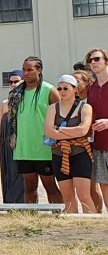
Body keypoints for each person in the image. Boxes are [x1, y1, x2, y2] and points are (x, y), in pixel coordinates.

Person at [9, 57, 63, 205]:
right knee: (29, 187)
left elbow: (61, 117)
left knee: (50, 186)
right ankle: (32, 217)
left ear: (39, 70)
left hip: (44, 148)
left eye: (29, 70)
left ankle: (58, 216)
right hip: (23, 148)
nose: (25, 73)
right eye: (24, 69)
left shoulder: (49, 90)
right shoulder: (16, 92)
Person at [44, 75, 95, 213]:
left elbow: (83, 130)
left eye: (66, 88)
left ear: (75, 90)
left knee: (84, 195)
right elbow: (48, 132)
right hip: (59, 154)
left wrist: (59, 129)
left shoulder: (85, 107)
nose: (62, 91)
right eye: (59, 88)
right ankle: (72, 225)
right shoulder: (53, 108)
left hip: (80, 154)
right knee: (67, 197)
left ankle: (91, 225)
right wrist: (73, 131)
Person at [0, 71, 26, 204]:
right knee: (8, 178)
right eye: (10, 82)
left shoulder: (27, 102)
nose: (12, 84)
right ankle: (10, 206)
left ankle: (24, 206)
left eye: (16, 81)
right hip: (6, 147)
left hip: (22, 146)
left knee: (22, 179)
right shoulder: (4, 104)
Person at [73, 68, 103, 212]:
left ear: (86, 83)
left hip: (95, 143)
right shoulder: (71, 100)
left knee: (94, 184)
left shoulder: (93, 99)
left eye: (77, 81)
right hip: (78, 145)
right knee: (85, 184)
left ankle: (97, 213)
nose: (74, 84)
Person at [86, 48, 108, 209]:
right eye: (90, 60)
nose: (93, 62)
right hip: (98, 144)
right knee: (103, 183)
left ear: (106, 60)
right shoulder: (91, 88)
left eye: (97, 59)